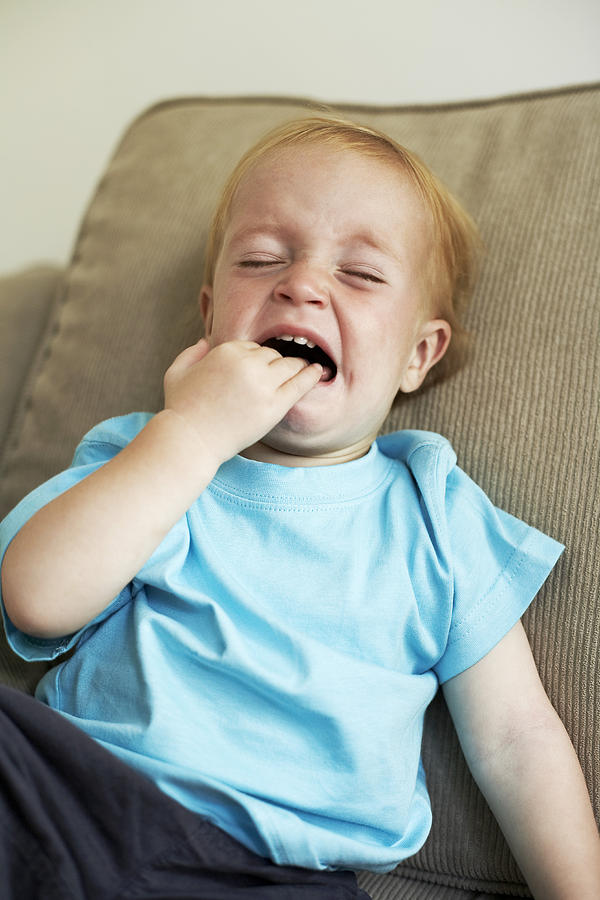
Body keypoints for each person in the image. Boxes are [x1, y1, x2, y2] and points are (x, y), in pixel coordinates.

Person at [1, 115, 599, 900]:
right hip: (75, 801)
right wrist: (190, 434)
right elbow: (37, 599)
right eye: (262, 260)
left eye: (360, 274)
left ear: (419, 354)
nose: (302, 284)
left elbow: (519, 741)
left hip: (277, 878)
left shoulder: (438, 516)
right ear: (212, 319)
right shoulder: (147, 458)